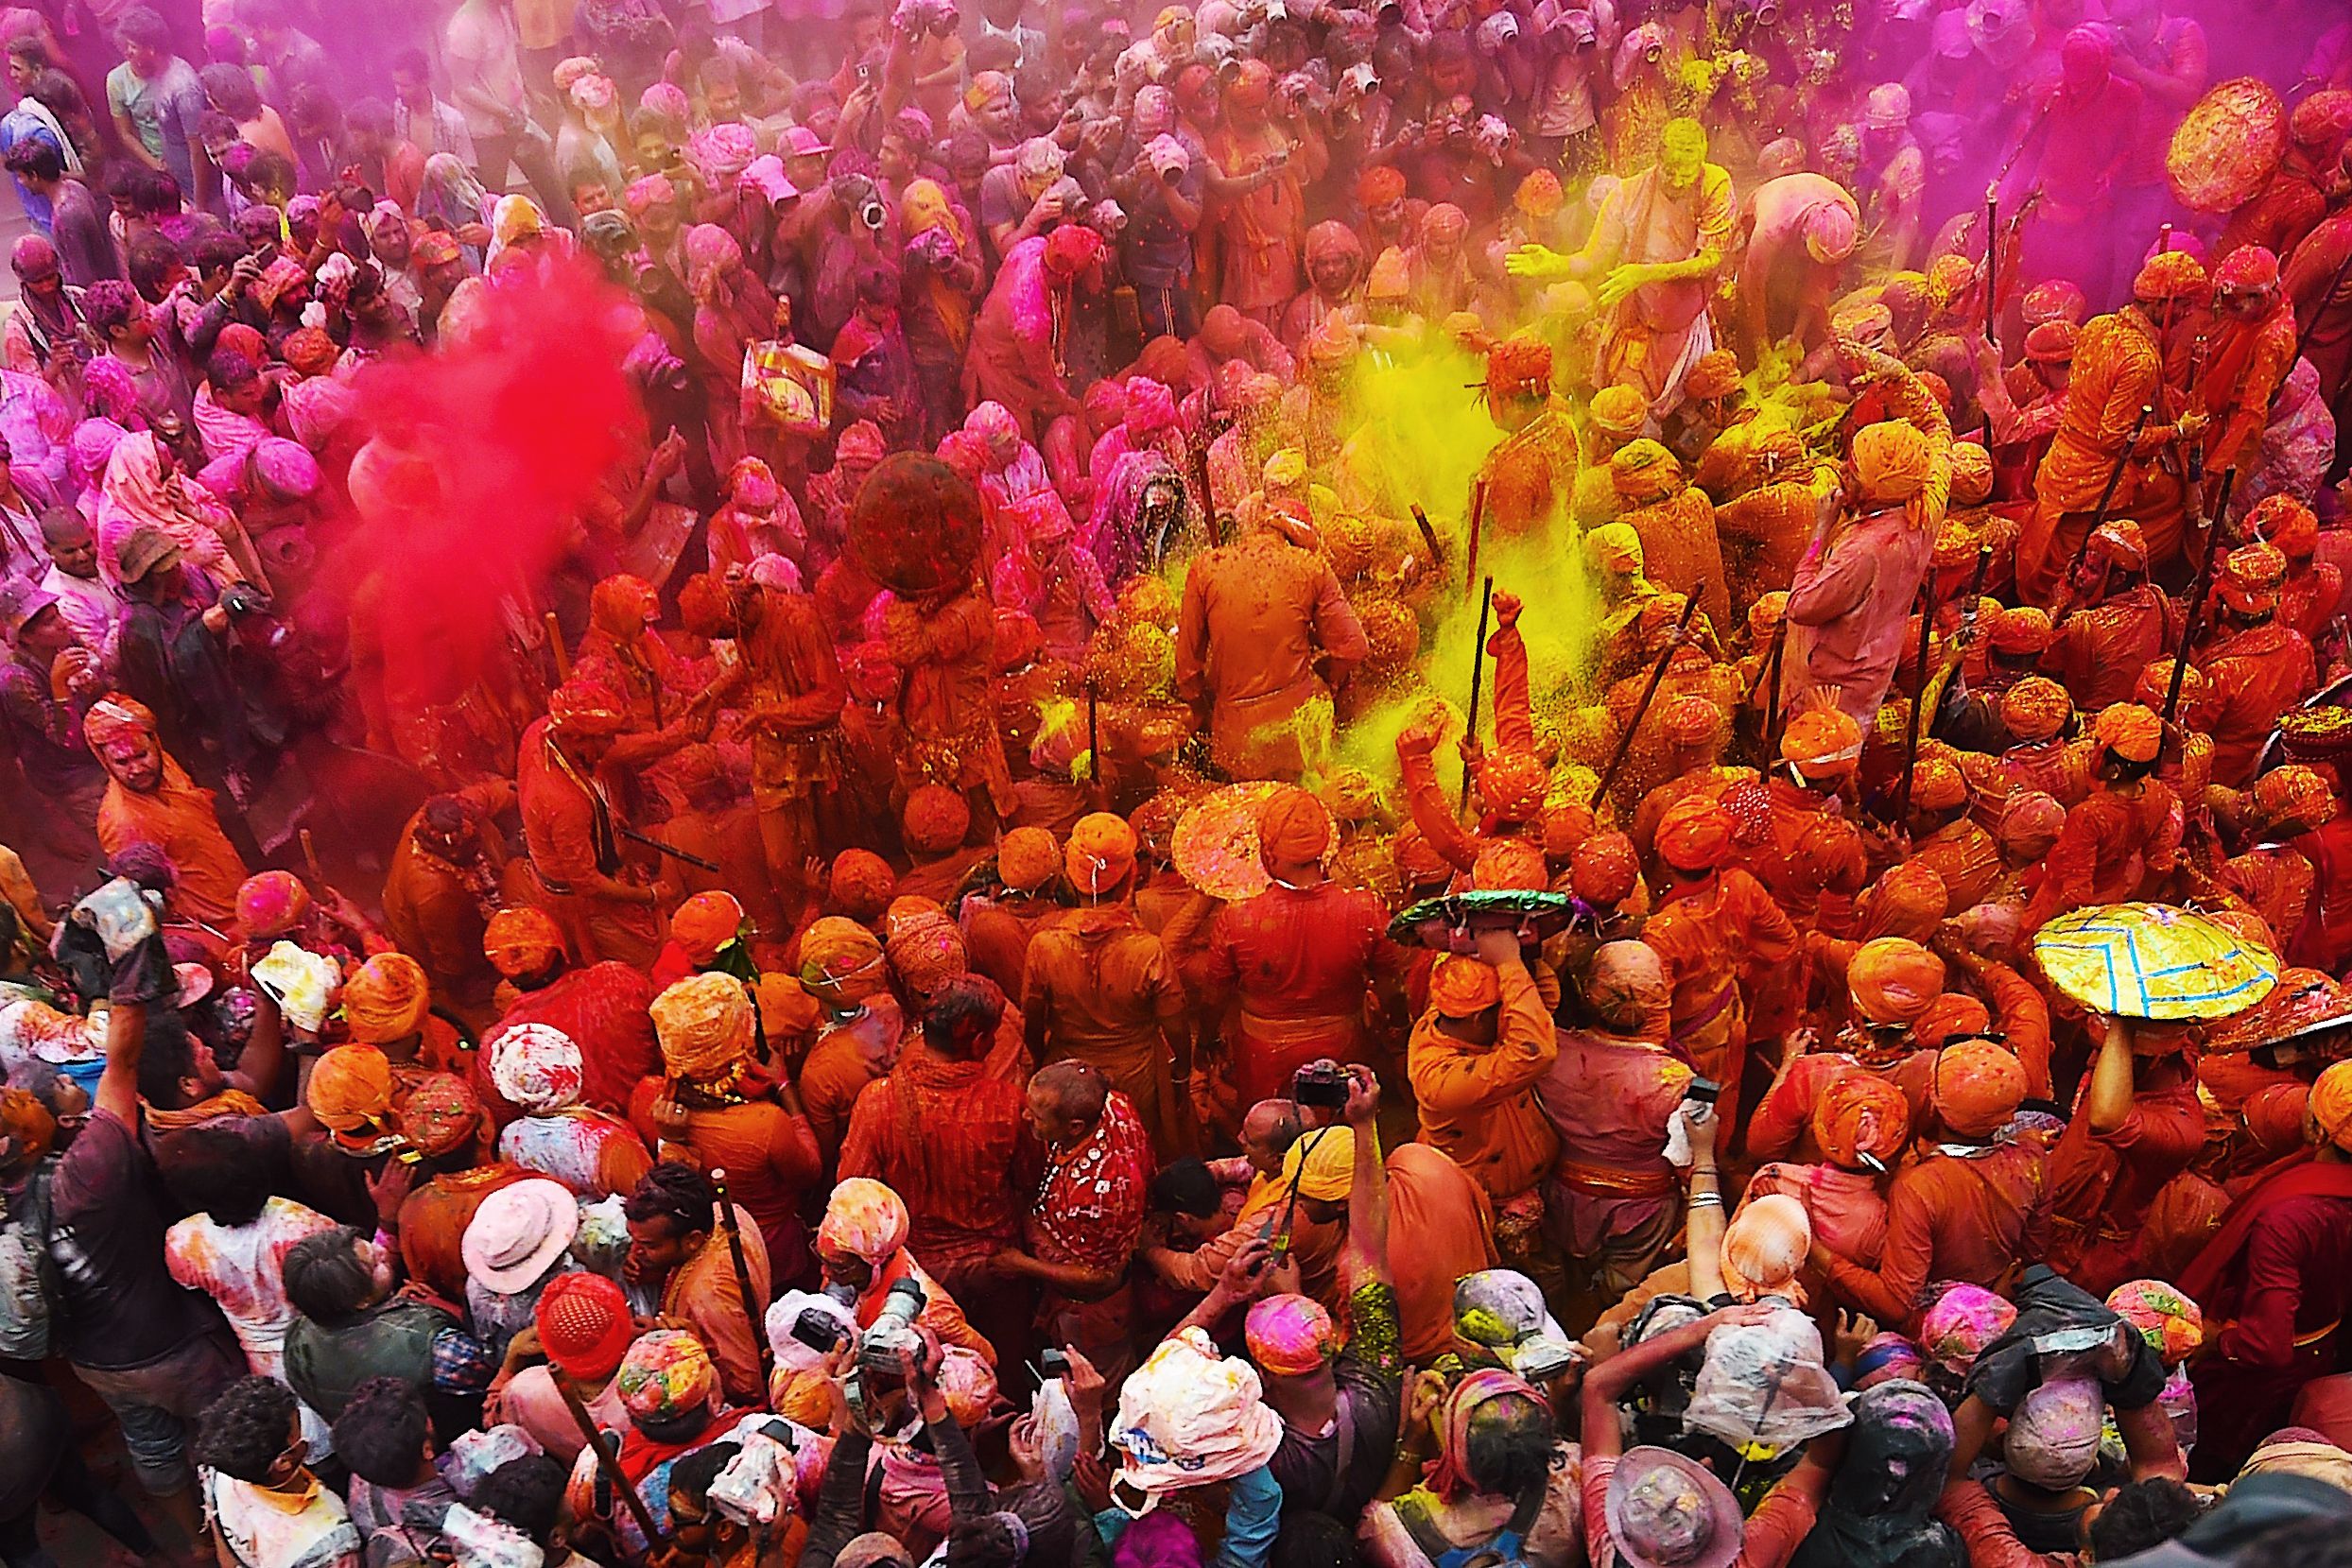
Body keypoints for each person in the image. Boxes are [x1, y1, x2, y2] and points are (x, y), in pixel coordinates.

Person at [621, 1160, 772, 1407]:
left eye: (649, 1245)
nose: (635, 1251)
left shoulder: (707, 1297)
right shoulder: (725, 1212)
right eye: (634, 1241)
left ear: (693, 1240)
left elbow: (747, 1387)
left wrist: (678, 1346)